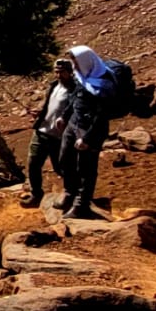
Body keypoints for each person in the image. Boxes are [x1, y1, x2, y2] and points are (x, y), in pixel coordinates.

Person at [58, 44, 116, 219]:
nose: (74, 66)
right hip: (74, 124)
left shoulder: (104, 83)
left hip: (90, 130)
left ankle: (81, 205)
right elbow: (75, 98)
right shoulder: (82, 77)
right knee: (64, 159)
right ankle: (69, 192)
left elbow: (102, 114)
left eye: (75, 62)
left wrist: (88, 138)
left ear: (84, 61)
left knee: (86, 169)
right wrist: (64, 116)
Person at [20, 58, 75, 208]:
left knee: (61, 167)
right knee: (33, 163)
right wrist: (39, 112)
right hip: (42, 131)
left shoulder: (75, 90)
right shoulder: (53, 86)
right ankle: (36, 194)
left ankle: (73, 194)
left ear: (70, 72)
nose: (58, 75)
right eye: (56, 72)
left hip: (59, 136)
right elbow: (47, 105)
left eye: (62, 72)